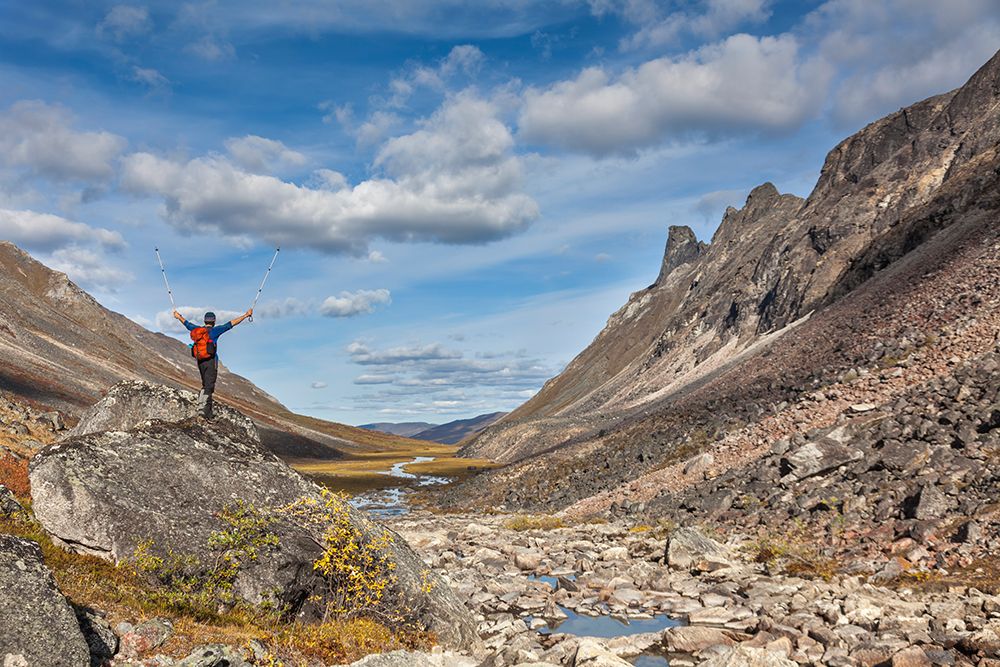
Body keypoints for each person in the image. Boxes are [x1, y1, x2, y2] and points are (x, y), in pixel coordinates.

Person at [172, 308, 253, 418]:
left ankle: (202, 407)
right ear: (213, 321)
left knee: (205, 385)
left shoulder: (197, 329)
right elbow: (231, 323)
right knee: (209, 386)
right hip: (211, 360)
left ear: (205, 321)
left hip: (200, 361)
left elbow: (187, 324)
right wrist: (245, 315)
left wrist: (178, 316)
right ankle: (204, 411)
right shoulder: (215, 330)